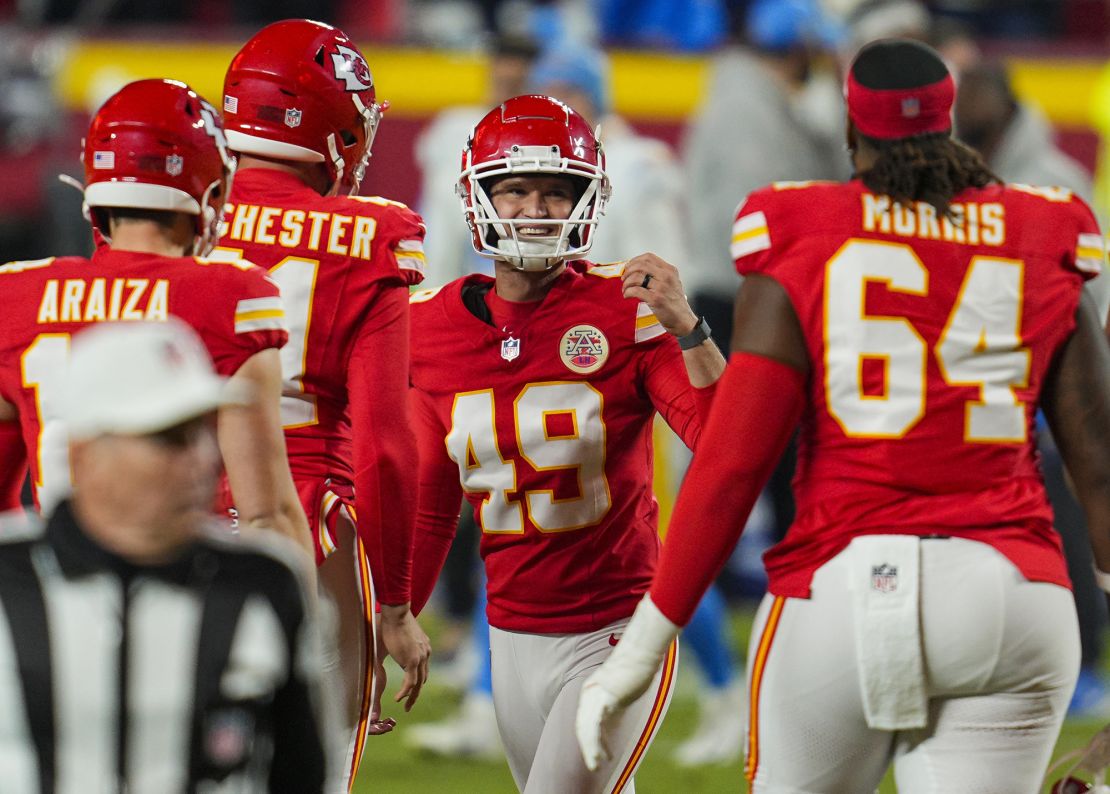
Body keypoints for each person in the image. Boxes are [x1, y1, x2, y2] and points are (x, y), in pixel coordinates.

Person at [578, 38, 1110, 792]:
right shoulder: (1043, 226)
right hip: (1009, 592)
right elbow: (1101, 460)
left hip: (845, 583)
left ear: (851, 129)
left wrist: (638, 651)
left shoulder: (800, 224)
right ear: (946, 120)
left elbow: (734, 462)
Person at [408, 94, 726, 793]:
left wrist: (689, 330)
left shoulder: (629, 307)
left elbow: (724, 439)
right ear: (477, 195)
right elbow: (434, 500)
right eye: (515, 189)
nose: (535, 209)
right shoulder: (429, 326)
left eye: (557, 192)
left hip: (618, 626)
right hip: (513, 632)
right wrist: (399, 612)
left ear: (588, 200)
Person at [217, 18, 431, 786]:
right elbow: (385, 445)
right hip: (310, 527)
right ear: (335, 127)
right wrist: (398, 605)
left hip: (170, 521)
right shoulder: (370, 235)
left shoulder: (180, 216)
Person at [0, 319, 335, 793]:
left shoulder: (265, 581)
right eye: (169, 438)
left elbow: (301, 772)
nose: (201, 459)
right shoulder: (8, 577)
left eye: (203, 432)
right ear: (86, 453)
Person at [529, 42, 747, 767]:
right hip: (550, 362)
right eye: (548, 88)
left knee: (651, 541)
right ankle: (486, 698)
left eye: (570, 87)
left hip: (619, 364)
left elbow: (658, 264)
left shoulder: (640, 163)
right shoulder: (541, 163)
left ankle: (723, 689)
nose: (559, 100)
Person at [0, 78, 309, 560]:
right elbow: (266, 516)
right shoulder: (230, 295)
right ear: (205, 192)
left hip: (63, 585)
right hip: (186, 585)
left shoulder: (14, 296)